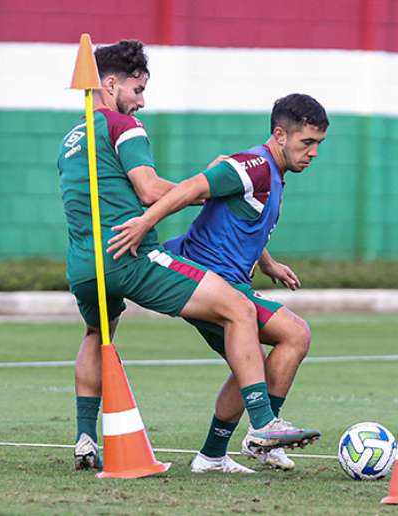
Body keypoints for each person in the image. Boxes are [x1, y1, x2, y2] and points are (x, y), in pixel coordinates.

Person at [57, 40, 320, 471]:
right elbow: (147, 188)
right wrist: (206, 188)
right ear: (110, 84)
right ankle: (263, 428)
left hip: (82, 263)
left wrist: (266, 260)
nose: (141, 102)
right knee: (240, 310)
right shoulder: (124, 127)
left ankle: (86, 436)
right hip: (129, 254)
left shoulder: (70, 138)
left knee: (96, 335)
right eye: (137, 90)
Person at [106, 93, 329, 473]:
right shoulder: (252, 165)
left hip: (229, 282)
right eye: (306, 142)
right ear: (279, 135)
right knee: (296, 334)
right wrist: (145, 223)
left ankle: (212, 455)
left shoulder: (272, 175)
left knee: (252, 365)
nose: (313, 153)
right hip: (205, 279)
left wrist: (268, 262)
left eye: (318, 144)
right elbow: (193, 188)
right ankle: (264, 433)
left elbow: (239, 216)